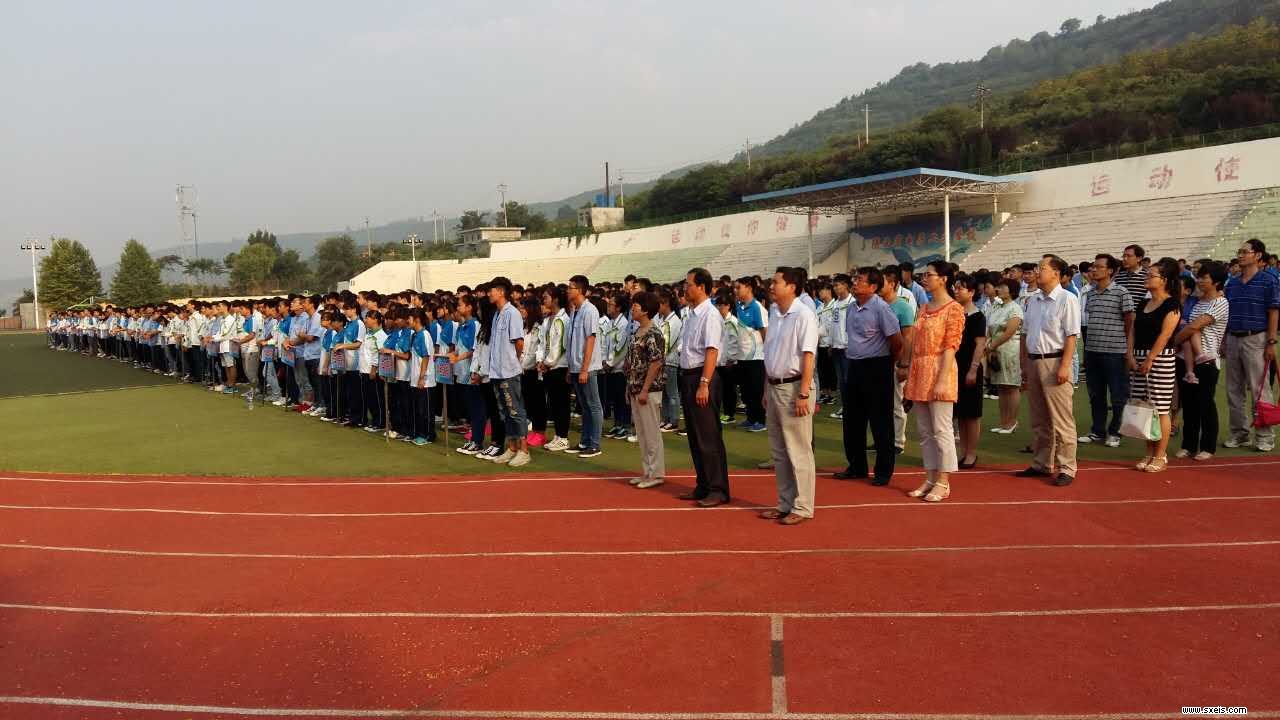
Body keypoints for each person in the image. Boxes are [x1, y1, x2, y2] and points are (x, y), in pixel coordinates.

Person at [757, 267, 819, 525]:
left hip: (794, 388)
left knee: (799, 450)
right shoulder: (774, 312)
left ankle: (803, 506)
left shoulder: (804, 314)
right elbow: (770, 354)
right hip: (774, 387)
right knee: (779, 451)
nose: (771, 286)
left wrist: (803, 393)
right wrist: (766, 388)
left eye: (776, 282)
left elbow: (808, 355)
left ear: (792, 287)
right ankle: (785, 503)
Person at [901, 262, 965, 501]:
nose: (925, 279)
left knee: (941, 428)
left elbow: (951, 346)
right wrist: (909, 373)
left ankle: (943, 481)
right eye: (924, 275)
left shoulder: (954, 309)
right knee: (925, 430)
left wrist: (941, 380)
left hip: (941, 369)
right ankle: (929, 477)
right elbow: (914, 342)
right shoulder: (923, 308)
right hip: (920, 369)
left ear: (944, 279)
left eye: (929, 275)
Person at [1016, 255, 1081, 486]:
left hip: (1055, 361)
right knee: (1039, 418)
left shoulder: (1067, 299)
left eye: (1042, 268)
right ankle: (1042, 463)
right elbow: (1025, 333)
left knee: (1061, 419)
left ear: (1056, 273)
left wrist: (1064, 366)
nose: (1037, 271)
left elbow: (1071, 335)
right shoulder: (1033, 300)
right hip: (1034, 360)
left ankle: (1067, 467)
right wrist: (1024, 363)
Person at [835, 266, 903, 486]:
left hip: (877, 366)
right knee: (852, 420)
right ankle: (856, 466)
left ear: (873, 287)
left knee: (880, 421)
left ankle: (883, 471)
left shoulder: (881, 308)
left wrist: (888, 362)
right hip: (854, 365)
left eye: (860, 280)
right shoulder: (851, 308)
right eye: (855, 279)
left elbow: (897, 341)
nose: (854, 283)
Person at [676, 267, 729, 506]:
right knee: (695, 437)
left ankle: (718, 489)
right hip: (688, 376)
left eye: (688, 284)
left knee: (708, 436)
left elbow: (711, 351)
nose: (685, 288)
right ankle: (703, 485)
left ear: (702, 287)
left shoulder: (710, 314)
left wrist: (704, 383)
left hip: (702, 376)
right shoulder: (691, 314)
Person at [1223, 238, 1280, 452]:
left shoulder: (1268, 280)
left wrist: (1271, 342)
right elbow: (1227, 313)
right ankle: (1239, 433)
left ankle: (1265, 436)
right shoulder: (1232, 283)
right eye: (1239, 251)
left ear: (1257, 255)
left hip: (1256, 338)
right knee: (1233, 389)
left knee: (1260, 389)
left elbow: (1273, 312)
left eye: (1245, 251)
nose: (1240, 254)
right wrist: (1224, 340)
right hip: (1232, 338)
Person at [1129, 259, 1183, 473]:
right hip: (1138, 357)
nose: (1147, 278)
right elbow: (1133, 331)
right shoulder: (1142, 304)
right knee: (1144, 407)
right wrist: (1130, 354)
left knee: (1160, 409)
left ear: (1164, 280)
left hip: (1160, 359)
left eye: (1151, 275)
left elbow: (1165, 335)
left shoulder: (1172, 305)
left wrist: (1151, 358)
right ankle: (1149, 452)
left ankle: (1160, 455)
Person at [1174, 261, 1230, 461]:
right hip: (1185, 357)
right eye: (1199, 277)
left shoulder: (1220, 302)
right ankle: (1188, 445)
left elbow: (1193, 327)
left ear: (1216, 282)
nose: (1199, 281)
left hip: (1207, 359)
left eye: (1204, 277)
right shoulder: (1197, 302)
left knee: (1205, 403)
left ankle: (1208, 446)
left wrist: (1171, 342)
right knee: (1189, 404)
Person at [1080, 253, 1135, 447]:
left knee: (1118, 395)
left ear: (1110, 270)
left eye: (1099, 267)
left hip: (1115, 352)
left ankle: (1115, 432)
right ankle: (1097, 431)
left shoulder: (1121, 292)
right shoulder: (1091, 293)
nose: (1094, 270)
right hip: (1092, 351)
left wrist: (1127, 349)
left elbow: (1129, 322)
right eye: (1093, 267)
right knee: (1096, 395)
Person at [624, 291, 667, 489]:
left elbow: (656, 363)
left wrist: (644, 389)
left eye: (636, 305)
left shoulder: (654, 333)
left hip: (649, 390)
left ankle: (656, 473)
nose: (633, 308)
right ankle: (647, 471)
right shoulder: (637, 332)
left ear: (646, 309)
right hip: (636, 387)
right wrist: (630, 387)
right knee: (642, 433)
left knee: (651, 433)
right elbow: (632, 363)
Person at [487, 277, 531, 467]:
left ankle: (524, 450)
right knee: (504, 411)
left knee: (515, 410)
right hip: (496, 371)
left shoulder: (512, 313)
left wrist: (514, 361)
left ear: (501, 291)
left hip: (509, 371)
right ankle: (512, 447)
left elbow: (519, 342)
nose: (489, 294)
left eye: (492, 290)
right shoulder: (497, 314)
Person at [566, 275, 604, 458]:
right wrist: (571, 367)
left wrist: (584, 368)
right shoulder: (575, 310)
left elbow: (590, 339)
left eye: (571, 287)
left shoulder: (590, 310)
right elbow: (572, 341)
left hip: (586, 367)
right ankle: (584, 441)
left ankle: (594, 444)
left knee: (593, 405)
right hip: (575, 366)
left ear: (580, 290)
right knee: (585, 406)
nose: (568, 290)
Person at [952, 273, 987, 468]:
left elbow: (980, 345)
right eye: (955, 287)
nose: (956, 291)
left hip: (969, 367)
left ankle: (971, 453)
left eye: (960, 288)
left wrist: (973, 369)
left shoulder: (978, 317)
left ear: (971, 292)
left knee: (972, 414)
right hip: (954, 367)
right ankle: (963, 451)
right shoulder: (954, 313)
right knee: (960, 413)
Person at [879, 268, 915, 453]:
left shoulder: (903, 306)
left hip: (896, 361)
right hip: (879, 360)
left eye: (882, 282)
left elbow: (908, 337)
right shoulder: (877, 304)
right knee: (881, 403)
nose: (878, 285)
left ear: (892, 284)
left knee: (896, 403)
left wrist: (904, 364)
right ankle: (884, 438)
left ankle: (898, 442)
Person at [985, 279, 1023, 434]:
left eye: (1002, 287)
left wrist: (991, 346)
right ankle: (1004, 422)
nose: (998, 289)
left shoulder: (1015, 308)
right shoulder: (996, 306)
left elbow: (1009, 332)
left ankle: (1012, 422)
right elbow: (989, 328)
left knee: (1011, 386)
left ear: (1011, 290)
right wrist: (989, 345)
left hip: (1010, 350)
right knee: (1001, 387)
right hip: (995, 350)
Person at [537, 287, 571, 452]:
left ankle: (563, 437)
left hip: (559, 367)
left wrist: (547, 362)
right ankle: (558, 435)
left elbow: (560, 346)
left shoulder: (563, 319)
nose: (544, 300)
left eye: (546, 297)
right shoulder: (548, 319)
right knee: (555, 403)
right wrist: (540, 360)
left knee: (561, 403)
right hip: (549, 367)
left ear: (556, 299)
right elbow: (542, 342)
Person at [733, 277, 768, 431]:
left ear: (749, 288)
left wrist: (767, 353)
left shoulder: (757, 307)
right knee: (746, 390)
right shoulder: (739, 306)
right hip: (742, 356)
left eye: (738, 287)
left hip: (756, 356)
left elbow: (764, 332)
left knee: (756, 389)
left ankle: (761, 420)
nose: (735, 291)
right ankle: (751, 417)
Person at [658, 290, 684, 433]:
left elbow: (666, 343)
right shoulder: (664, 320)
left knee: (672, 392)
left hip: (669, 361)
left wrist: (658, 358)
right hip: (663, 361)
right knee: (664, 393)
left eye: (659, 304)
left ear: (666, 304)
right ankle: (666, 418)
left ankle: (673, 421)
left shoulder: (673, 321)